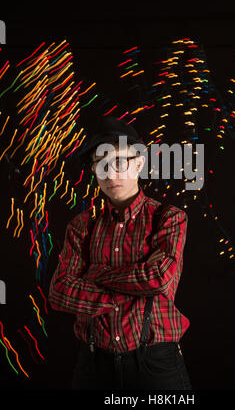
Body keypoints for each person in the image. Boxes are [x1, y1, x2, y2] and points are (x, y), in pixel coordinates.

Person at [48, 116, 192, 390]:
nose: (110, 173)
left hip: (155, 364)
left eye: (119, 162)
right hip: (94, 365)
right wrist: (125, 293)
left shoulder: (169, 218)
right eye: (100, 164)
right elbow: (59, 291)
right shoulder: (81, 226)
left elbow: (158, 278)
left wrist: (94, 274)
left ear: (139, 163)